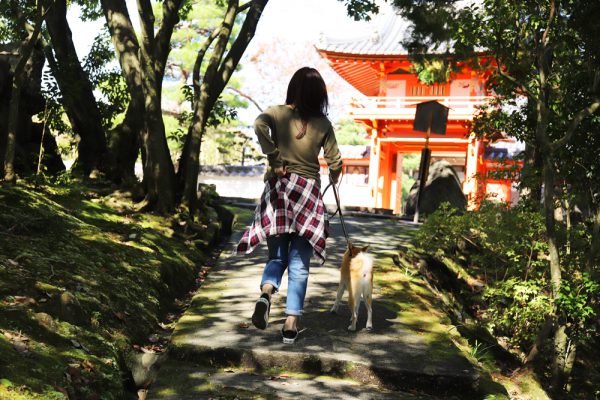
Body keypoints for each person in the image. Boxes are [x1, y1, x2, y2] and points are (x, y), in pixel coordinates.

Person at [234, 67, 342, 344]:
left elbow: (259, 125)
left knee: (277, 257)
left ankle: (267, 292)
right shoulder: (323, 124)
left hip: (279, 192)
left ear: (293, 88)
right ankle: (291, 322)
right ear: (320, 94)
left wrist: (274, 157)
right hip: (307, 195)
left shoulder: (276, 113)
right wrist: (335, 174)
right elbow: (336, 161)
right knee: (299, 263)